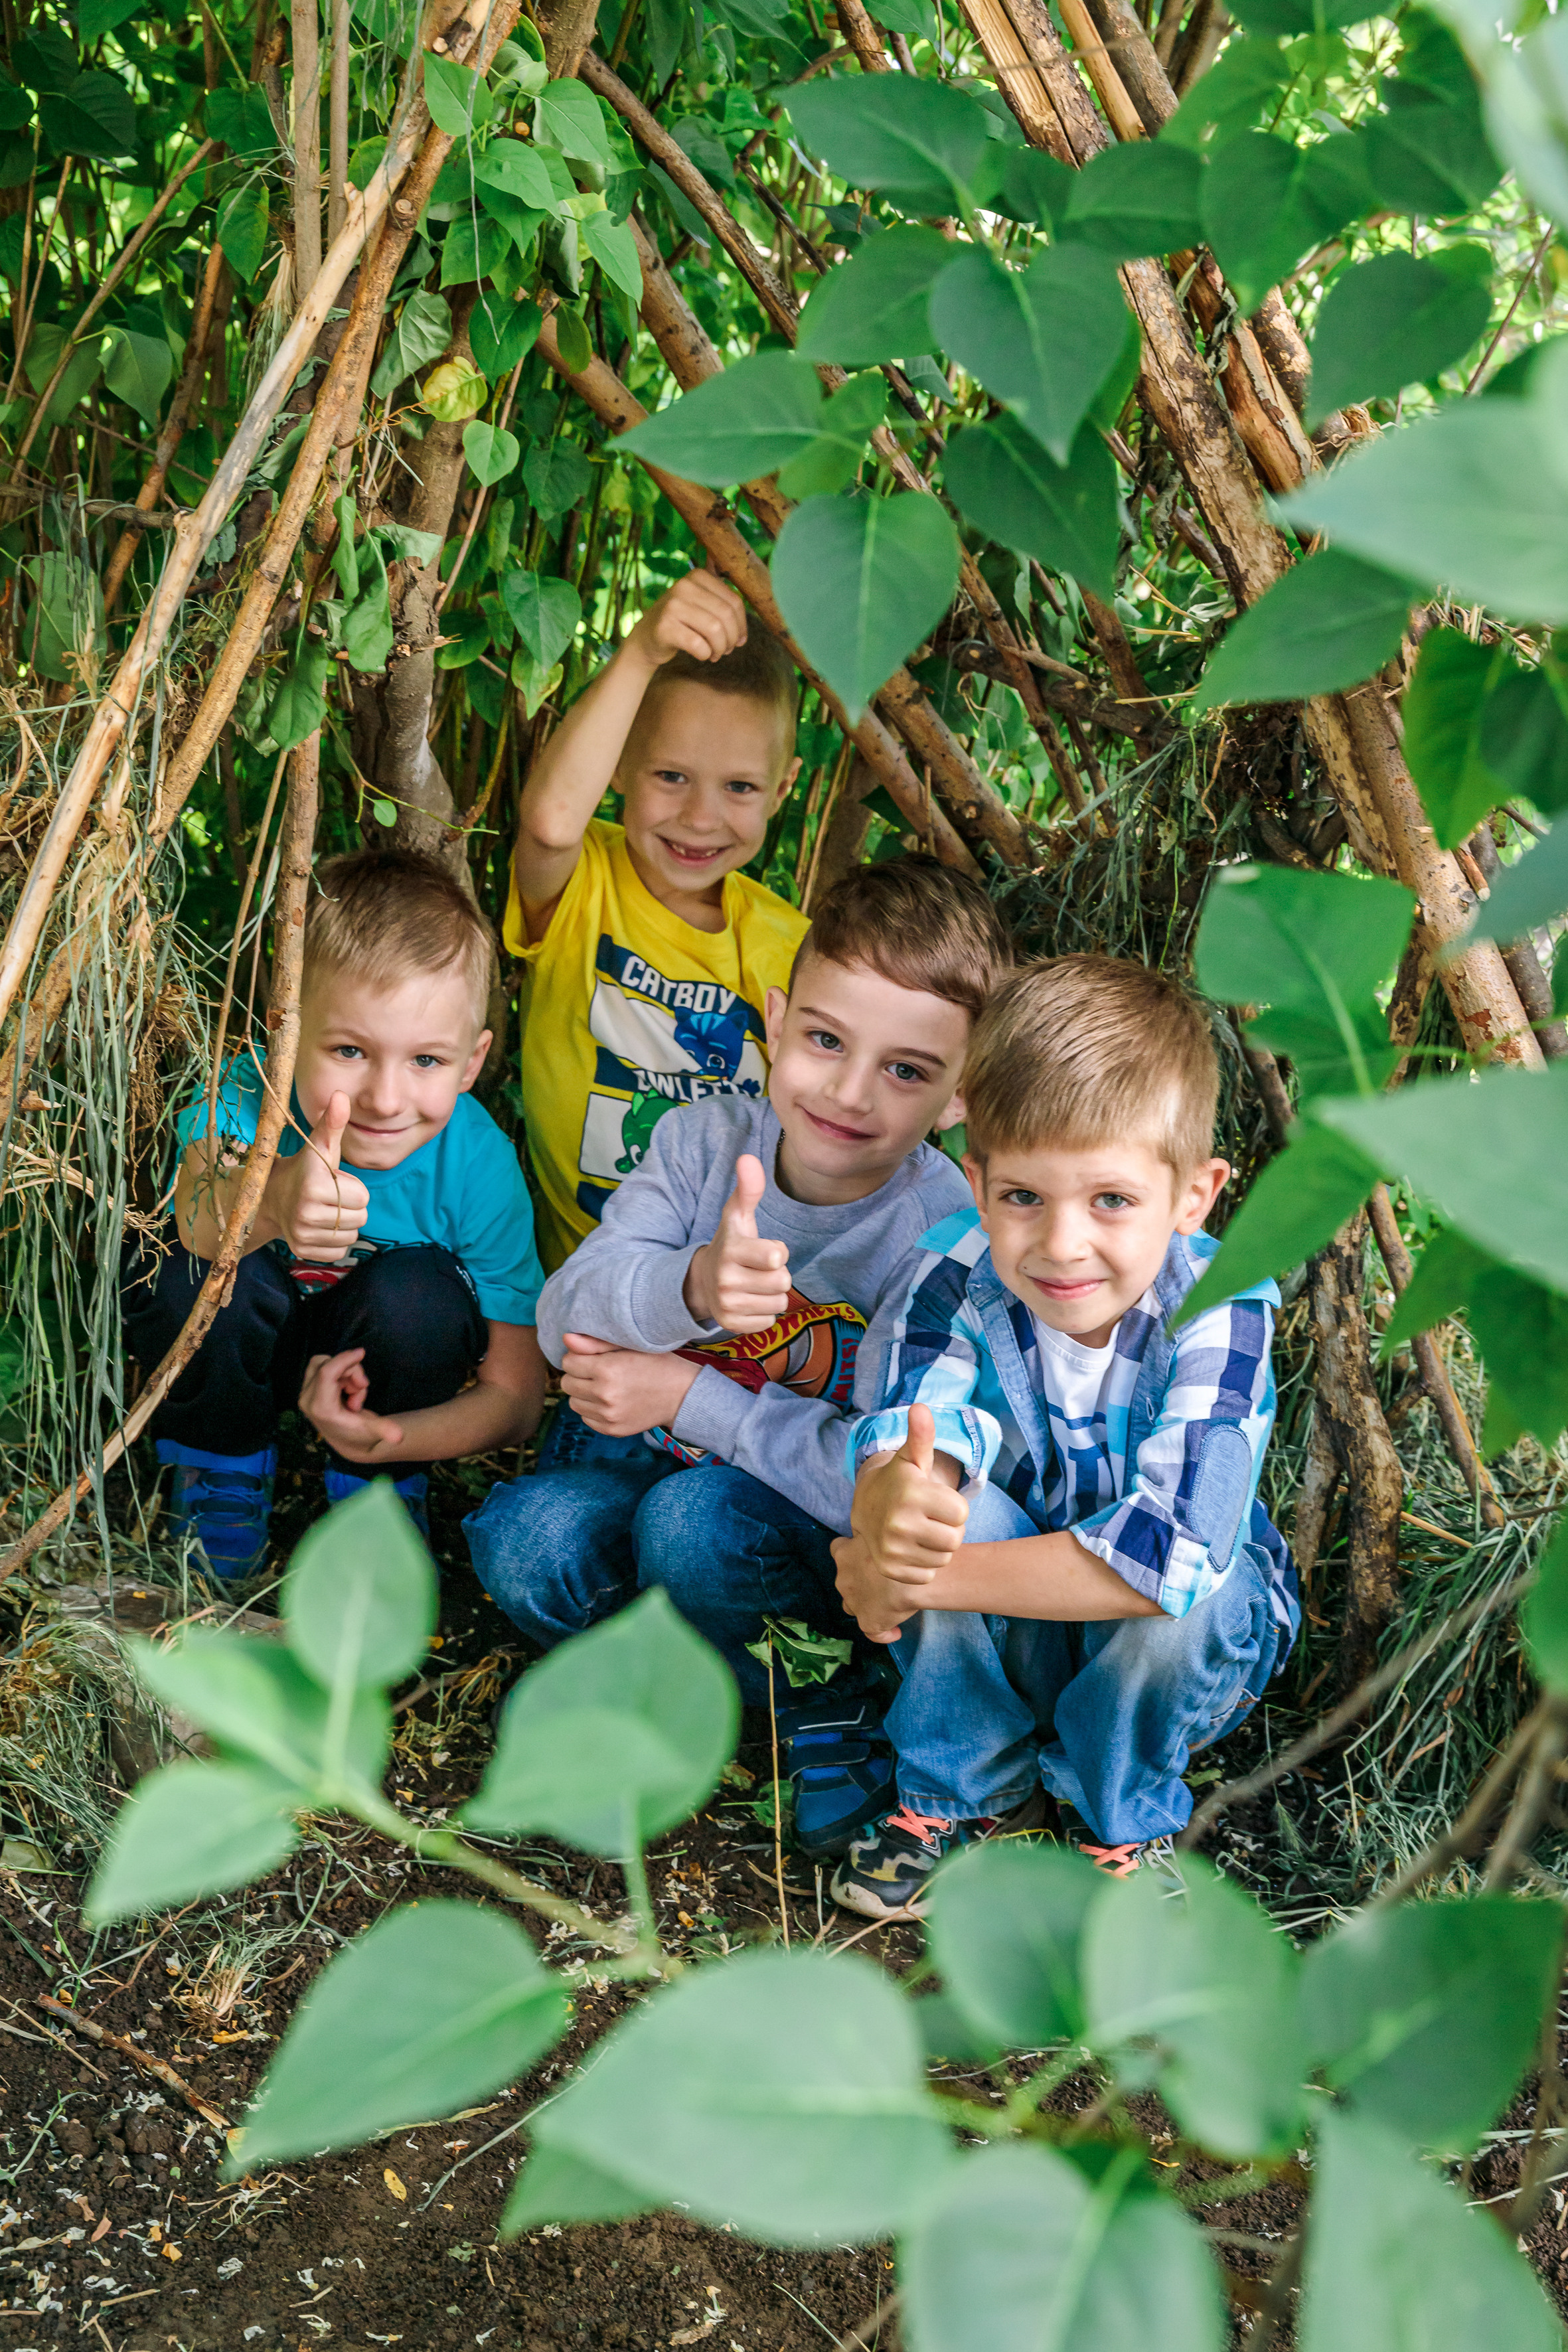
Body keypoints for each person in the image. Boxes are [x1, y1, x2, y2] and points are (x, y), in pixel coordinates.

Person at [465, 856, 1013, 1859]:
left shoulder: (942, 1231)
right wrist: (691, 1289)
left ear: (957, 1095)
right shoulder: (700, 1141)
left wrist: (684, 1390)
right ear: (773, 1019)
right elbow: (559, 1322)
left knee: (695, 1522)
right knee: (521, 1537)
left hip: (774, 1528)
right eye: (823, 1039)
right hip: (632, 1476)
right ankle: (680, 1700)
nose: (850, 1091)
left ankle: (817, 1699)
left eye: (906, 1069)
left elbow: (875, 1477)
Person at [828, 954, 1299, 1918]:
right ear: (977, 1179)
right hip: (1017, 1629)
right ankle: (959, 1791)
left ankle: (1120, 1814)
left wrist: (912, 1575)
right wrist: (892, 1509)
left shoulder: (1223, 1307)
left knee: (1194, 1596)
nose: (1060, 1242)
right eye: (1024, 1197)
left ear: (1193, 1196)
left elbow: (1169, 1558)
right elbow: (907, 1429)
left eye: (1111, 1200)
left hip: (1171, 1653)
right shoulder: (952, 1270)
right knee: (937, 1505)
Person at [124, 848, 548, 1580]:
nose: (385, 1098)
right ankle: (217, 1471)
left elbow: (515, 1398)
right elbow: (194, 1226)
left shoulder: (478, 1165)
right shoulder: (244, 1094)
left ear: (472, 1063)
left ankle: (374, 1494)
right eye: (350, 1050)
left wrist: (391, 1436)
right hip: (251, 1349)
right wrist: (275, 1198)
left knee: (421, 1293)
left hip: (376, 1376)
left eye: (426, 1061)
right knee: (186, 1272)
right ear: (282, 1029)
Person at [507, 567, 810, 1277]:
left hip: (729, 1302)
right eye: (670, 776)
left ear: (783, 787)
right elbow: (551, 824)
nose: (700, 818)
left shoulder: (790, 946)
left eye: (739, 787)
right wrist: (642, 650)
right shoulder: (584, 885)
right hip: (586, 1289)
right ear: (619, 764)